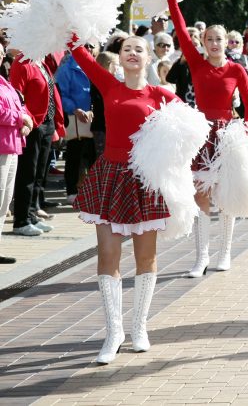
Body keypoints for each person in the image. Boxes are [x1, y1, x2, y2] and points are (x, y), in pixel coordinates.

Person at [70, 36, 180, 364]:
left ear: (148, 58)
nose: (132, 53)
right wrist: (64, 14)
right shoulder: (108, 84)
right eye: (126, 49)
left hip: (144, 181)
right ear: (119, 56)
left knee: (145, 258)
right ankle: (113, 331)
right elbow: (79, 51)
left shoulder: (161, 94)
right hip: (110, 176)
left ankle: (138, 327)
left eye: (138, 49)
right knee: (107, 255)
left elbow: (187, 133)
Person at [167, 0, 248, 278]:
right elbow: (180, 29)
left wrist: (244, 126)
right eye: (210, 39)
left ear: (227, 42)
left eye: (220, 39)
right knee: (200, 194)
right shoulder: (196, 62)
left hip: (227, 135)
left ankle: (225, 252)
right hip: (200, 133)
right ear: (203, 42)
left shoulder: (236, 70)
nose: (215, 43)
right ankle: (201, 256)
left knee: (226, 195)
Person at [9, 48, 64, 236]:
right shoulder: (22, 63)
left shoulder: (41, 63)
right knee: (27, 173)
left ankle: (32, 215)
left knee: (40, 172)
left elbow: (51, 94)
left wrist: (55, 124)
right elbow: (17, 97)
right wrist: (26, 119)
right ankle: (21, 220)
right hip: (32, 126)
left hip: (46, 124)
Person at [57, 46, 99, 204]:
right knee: (74, 157)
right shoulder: (67, 69)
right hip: (76, 119)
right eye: (85, 46)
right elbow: (62, 94)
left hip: (94, 119)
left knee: (94, 157)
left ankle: (92, 191)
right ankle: (72, 191)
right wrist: (75, 109)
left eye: (92, 46)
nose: (89, 49)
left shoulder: (95, 65)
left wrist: (93, 110)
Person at [0, 62, 31, 262]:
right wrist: (22, 118)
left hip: (12, 145)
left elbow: (20, 105)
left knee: (4, 201)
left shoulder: (4, 81)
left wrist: (26, 121)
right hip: (1, 147)